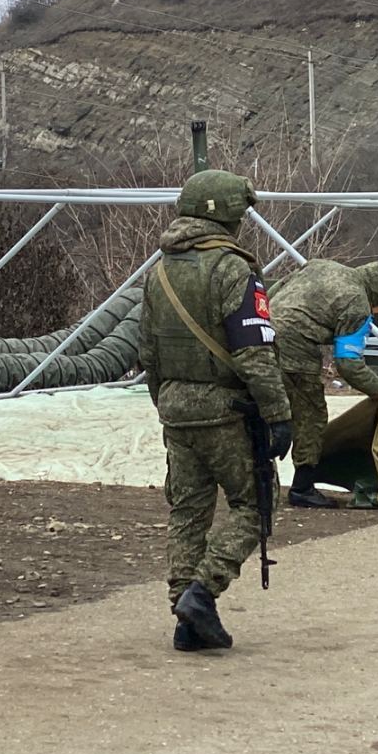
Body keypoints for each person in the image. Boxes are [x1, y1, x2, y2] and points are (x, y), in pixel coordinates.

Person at [137, 169, 292, 652]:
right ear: (228, 215)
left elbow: (147, 354)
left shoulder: (158, 272)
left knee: (188, 513)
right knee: (256, 506)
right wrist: (278, 413)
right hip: (226, 412)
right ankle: (203, 592)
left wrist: (167, 402)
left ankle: (186, 619)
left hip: (175, 410)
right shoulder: (232, 270)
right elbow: (254, 351)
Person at [270, 258, 378, 507]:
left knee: (264, 408)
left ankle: (256, 480)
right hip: (294, 349)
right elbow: (348, 364)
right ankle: (302, 488)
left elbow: (275, 289)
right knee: (310, 414)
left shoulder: (321, 265)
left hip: (259, 335)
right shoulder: (358, 304)